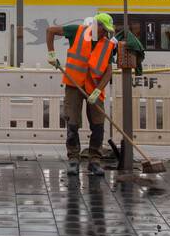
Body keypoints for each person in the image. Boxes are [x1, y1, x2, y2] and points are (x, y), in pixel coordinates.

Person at [46, 12, 118, 177]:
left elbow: (108, 71)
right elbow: (50, 31)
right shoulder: (77, 31)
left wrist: (98, 89)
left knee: (98, 125)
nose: (105, 33)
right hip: (74, 84)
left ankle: (94, 161)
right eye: (103, 29)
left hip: (94, 87)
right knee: (72, 123)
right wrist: (51, 54)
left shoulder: (107, 45)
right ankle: (73, 160)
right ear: (96, 25)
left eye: (107, 30)